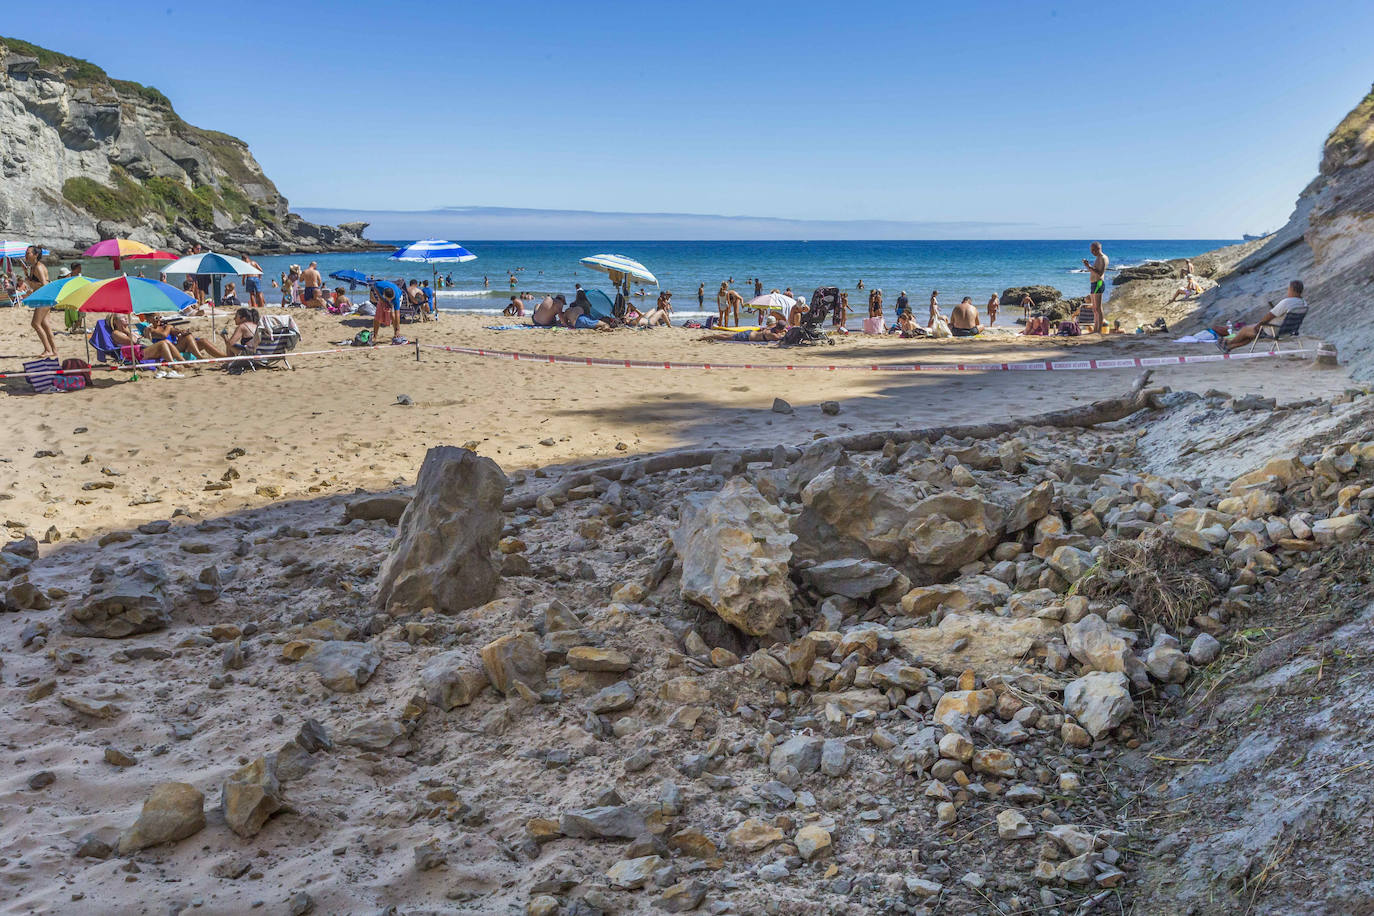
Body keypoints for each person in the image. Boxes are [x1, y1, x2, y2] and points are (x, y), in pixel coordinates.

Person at [1219, 280, 1306, 352]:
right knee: (1250, 334)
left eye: (1288, 289)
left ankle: (1228, 343)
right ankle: (1229, 347)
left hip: (1273, 330)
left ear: (1292, 290)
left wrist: (1259, 325)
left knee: (1245, 330)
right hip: (1289, 331)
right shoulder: (1304, 304)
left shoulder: (1287, 302)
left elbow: (1269, 316)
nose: (1288, 291)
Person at [23, 245, 56, 358]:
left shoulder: (38, 267)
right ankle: (54, 351)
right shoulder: (33, 267)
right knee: (45, 325)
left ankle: (48, 350)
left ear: (35, 255)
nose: (26, 255)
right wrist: (27, 276)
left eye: (28, 253)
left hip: (45, 297)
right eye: (26, 253)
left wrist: (31, 283)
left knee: (35, 323)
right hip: (43, 297)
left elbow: (45, 284)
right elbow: (34, 283)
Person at [1082, 242, 1108, 334]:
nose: (1092, 252)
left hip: (1098, 283)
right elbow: (1093, 271)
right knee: (1094, 309)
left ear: (1098, 249)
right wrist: (1087, 266)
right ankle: (1096, 329)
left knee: (1098, 308)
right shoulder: (1097, 258)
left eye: (1093, 250)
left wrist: (1089, 267)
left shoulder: (1103, 258)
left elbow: (1100, 273)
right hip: (1093, 283)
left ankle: (1099, 330)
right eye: (1091, 250)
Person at [708, 322, 786, 342]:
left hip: (751, 332)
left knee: (728, 335)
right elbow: (782, 338)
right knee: (727, 338)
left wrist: (782, 330)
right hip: (747, 337)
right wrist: (784, 332)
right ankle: (708, 337)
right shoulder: (773, 335)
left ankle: (712, 336)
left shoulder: (772, 326)